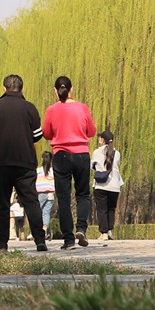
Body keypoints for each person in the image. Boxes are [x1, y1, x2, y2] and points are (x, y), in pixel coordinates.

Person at [0, 75, 47, 251]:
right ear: (22, 88)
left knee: (3, 203)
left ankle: (2, 243)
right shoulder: (30, 108)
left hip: (2, 161)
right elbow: (37, 135)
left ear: (4, 88)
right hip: (25, 162)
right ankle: (40, 241)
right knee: (31, 201)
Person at [42, 75, 97, 249]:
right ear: (71, 89)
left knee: (64, 198)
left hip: (61, 156)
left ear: (55, 91)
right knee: (82, 195)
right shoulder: (82, 108)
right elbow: (92, 131)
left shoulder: (51, 110)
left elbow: (46, 133)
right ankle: (81, 228)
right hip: (81, 155)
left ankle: (68, 239)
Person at [92, 129, 123, 244]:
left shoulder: (97, 152)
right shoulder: (117, 153)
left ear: (102, 140)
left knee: (101, 209)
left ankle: (103, 233)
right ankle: (110, 231)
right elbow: (116, 165)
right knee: (111, 208)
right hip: (115, 185)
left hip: (101, 185)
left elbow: (93, 166)